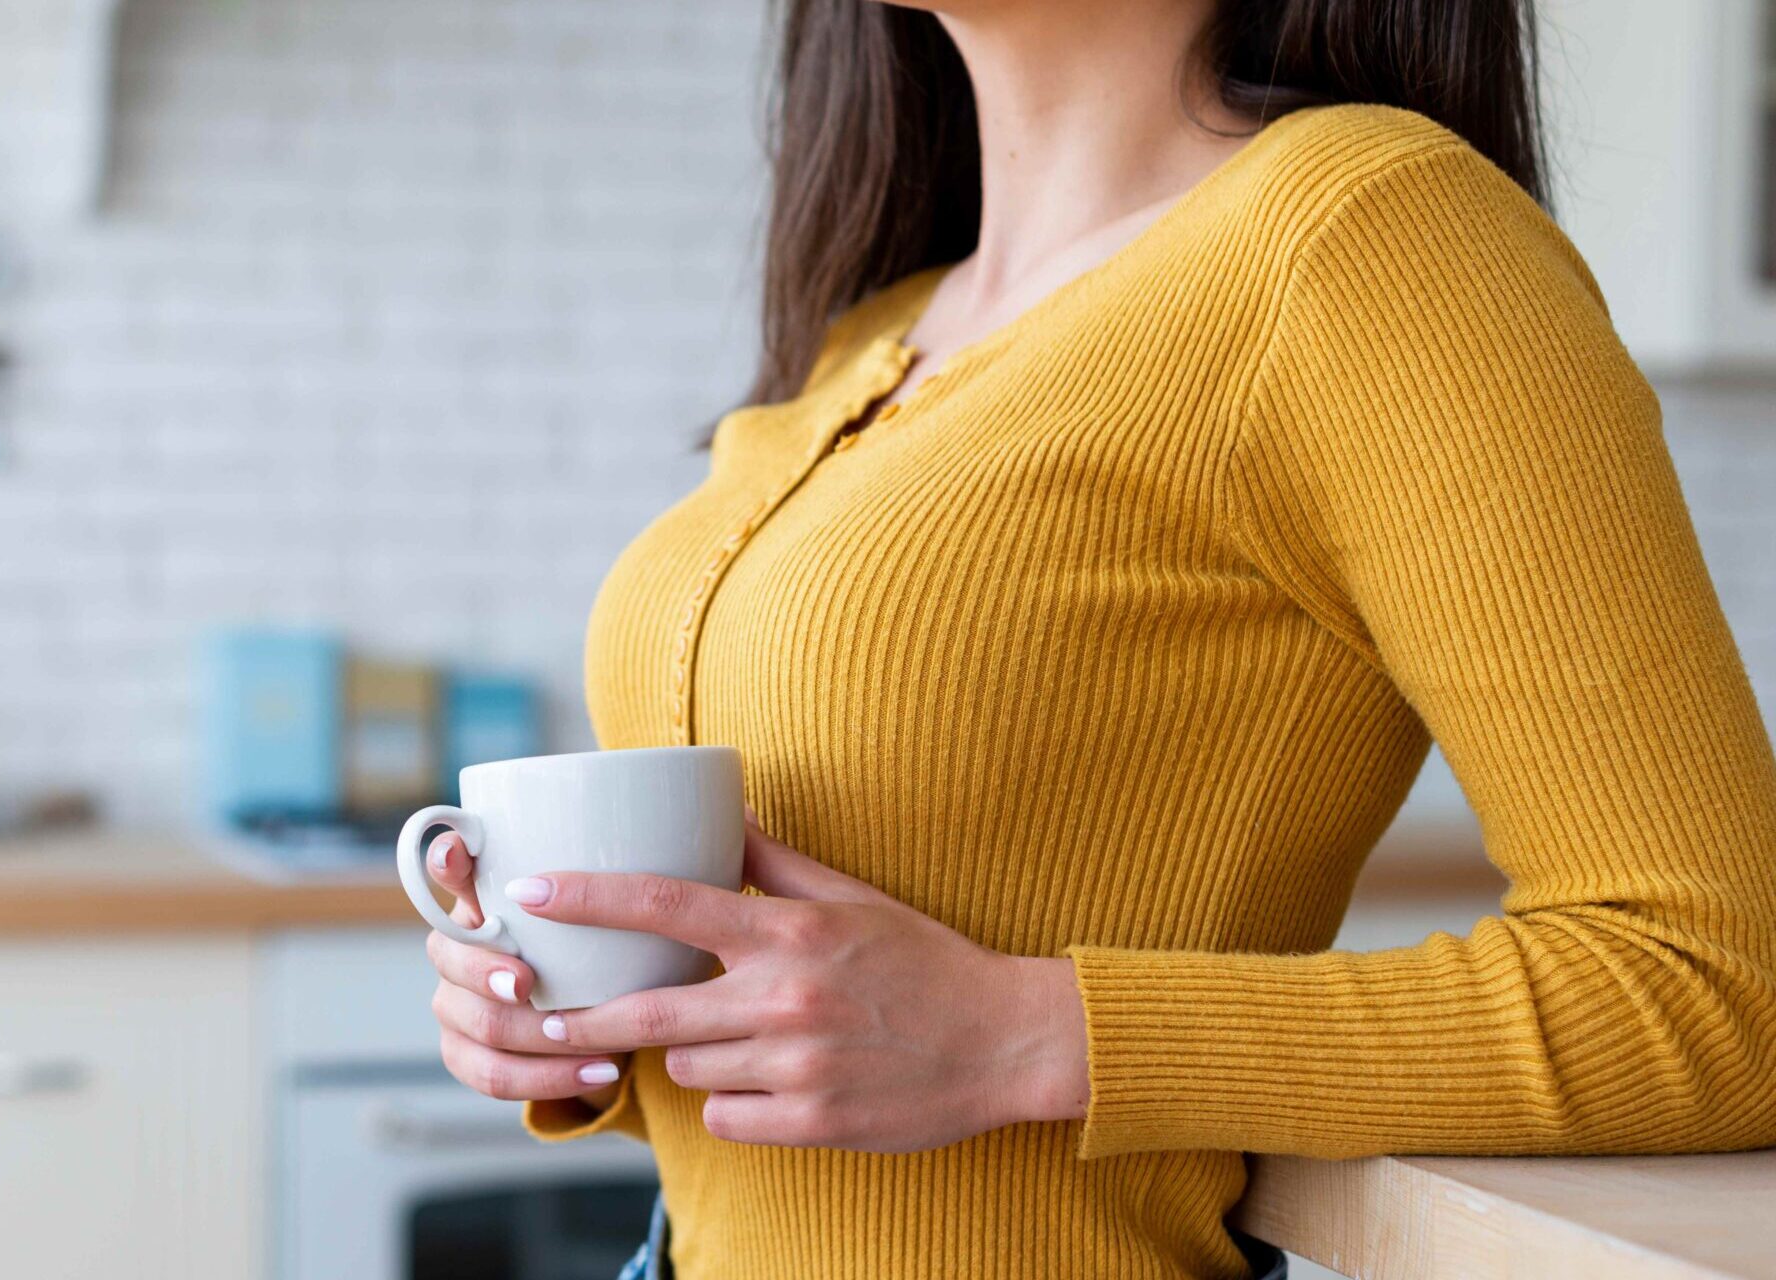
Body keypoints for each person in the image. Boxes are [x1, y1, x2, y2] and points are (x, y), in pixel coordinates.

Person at [417, 0, 1776, 1276]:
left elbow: (1722, 986)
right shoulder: (876, 335)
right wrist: (581, 1023)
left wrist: (1033, 1034)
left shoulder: (1368, 236)